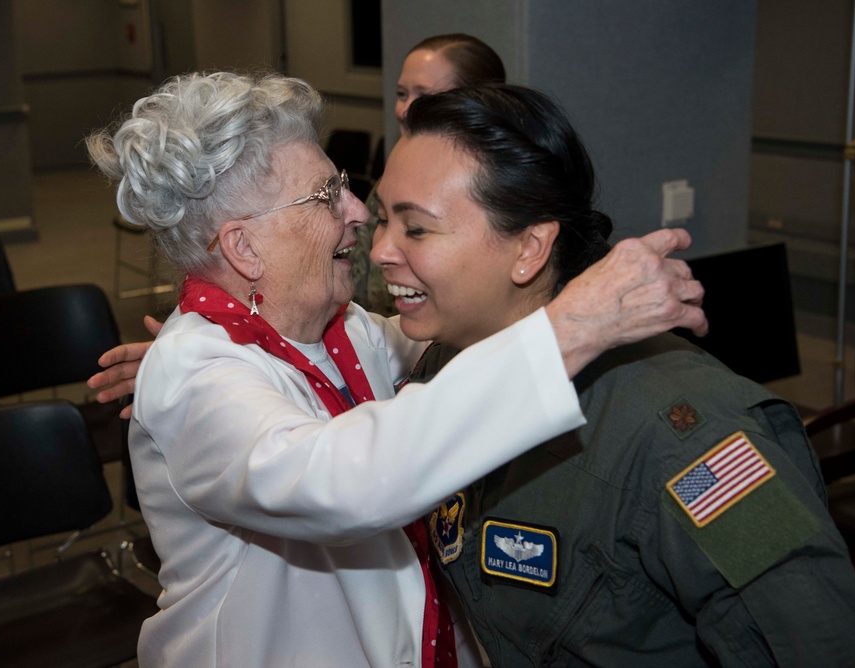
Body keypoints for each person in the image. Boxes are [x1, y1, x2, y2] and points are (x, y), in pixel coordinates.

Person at [86, 70, 706, 667]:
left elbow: (462, 352)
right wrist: (577, 323)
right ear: (244, 247)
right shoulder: (198, 376)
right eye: (327, 195)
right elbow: (347, 478)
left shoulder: (342, 329)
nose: (358, 213)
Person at [377, 84, 855, 666]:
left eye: (415, 229)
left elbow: (824, 643)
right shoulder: (445, 365)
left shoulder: (690, 437)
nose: (382, 249)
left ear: (530, 248)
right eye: (384, 216)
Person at [354, 33, 507, 315]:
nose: (405, 109)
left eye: (424, 97)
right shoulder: (387, 185)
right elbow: (361, 287)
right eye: (402, 94)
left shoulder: (496, 189)